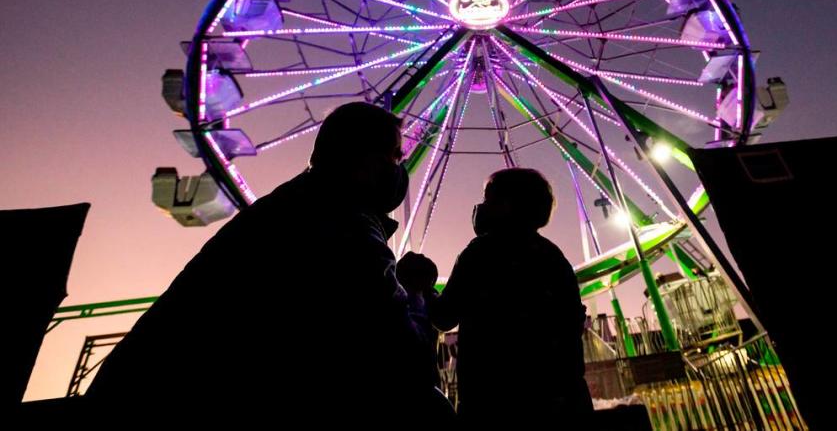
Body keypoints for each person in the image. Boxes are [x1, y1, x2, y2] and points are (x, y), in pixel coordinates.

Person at [86, 102, 447, 420]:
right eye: (396, 158)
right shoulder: (347, 225)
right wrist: (415, 292)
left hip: (141, 391)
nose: (399, 171)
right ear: (367, 163)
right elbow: (405, 358)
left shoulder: (282, 209)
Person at [421, 167, 593, 423]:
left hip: (493, 399)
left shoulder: (480, 253)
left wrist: (424, 288)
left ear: (508, 205)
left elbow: (445, 316)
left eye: (489, 200)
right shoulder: (553, 257)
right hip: (560, 399)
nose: (482, 207)